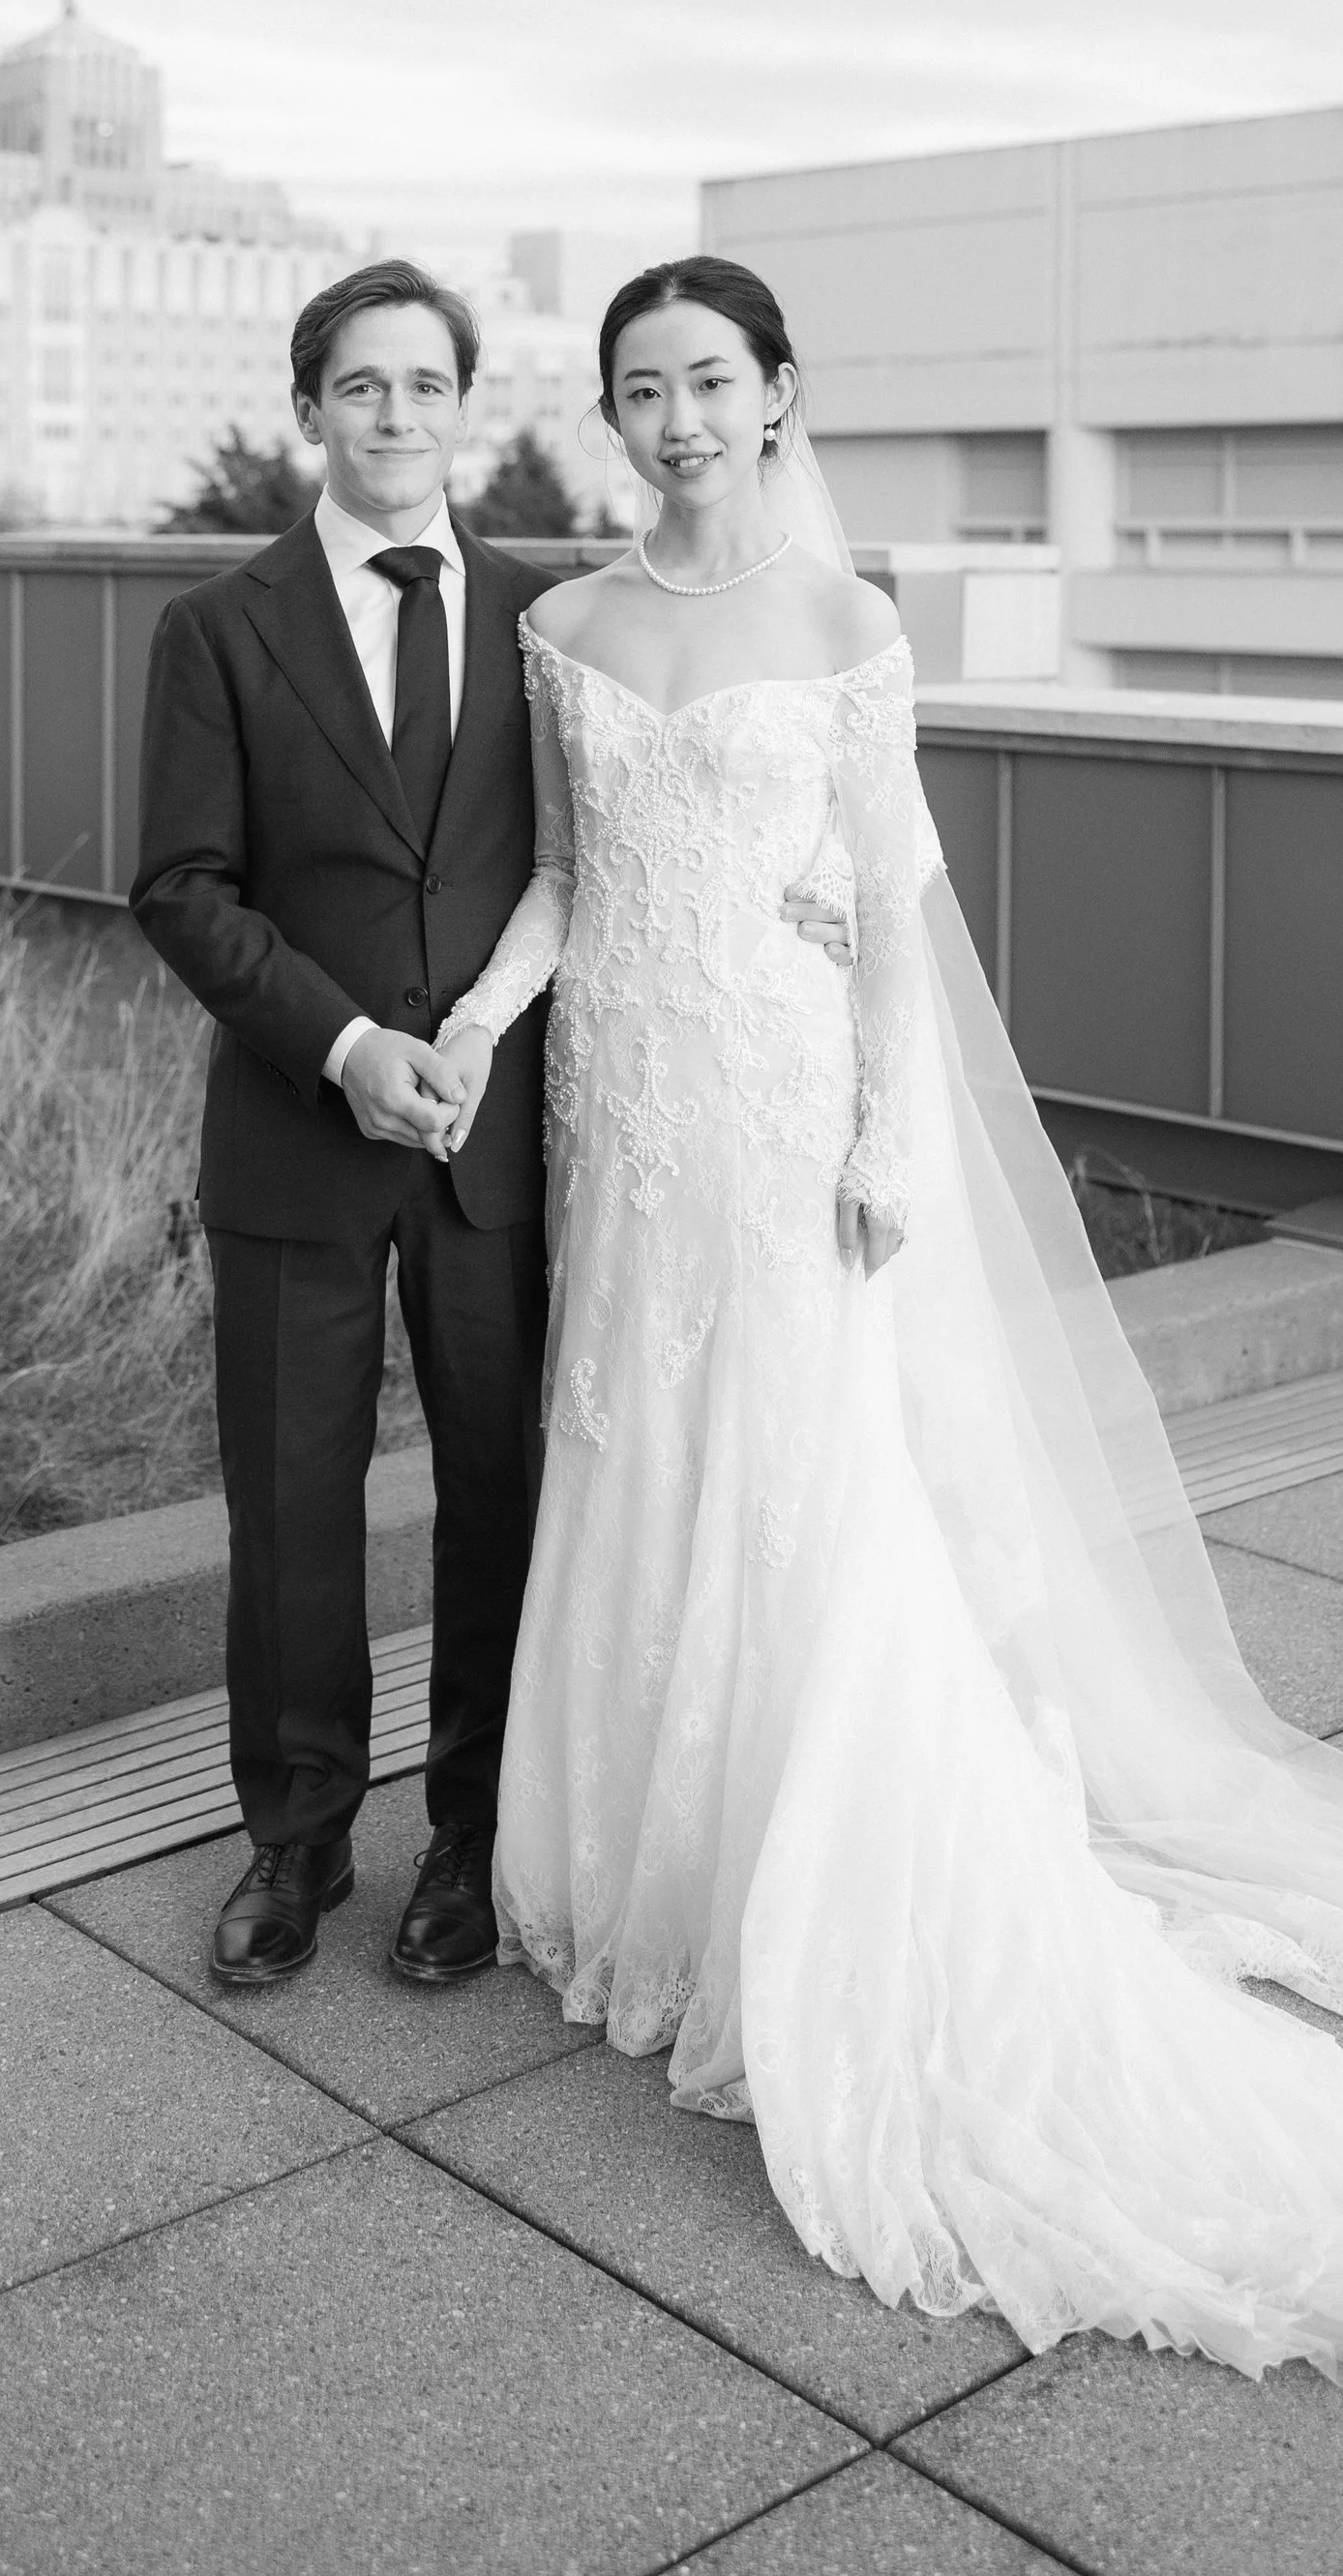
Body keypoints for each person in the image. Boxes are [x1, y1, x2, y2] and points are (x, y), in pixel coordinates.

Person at [428, 252, 1343, 2460]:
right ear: (607, 417)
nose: (674, 418)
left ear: (780, 395)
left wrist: (891, 1120)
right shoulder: (564, 628)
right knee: (647, 1456)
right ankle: (647, 1869)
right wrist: (481, 1030)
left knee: (807, 1493)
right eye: (636, 389)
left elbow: (887, 901)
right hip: (628, 1114)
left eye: (708, 380)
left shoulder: (846, 623)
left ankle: (820, 1882)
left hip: (788, 1114)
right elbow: (567, 885)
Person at [130, 257, 847, 1996]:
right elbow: (182, 887)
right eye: (360, 386)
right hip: (307, 1136)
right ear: (312, 409)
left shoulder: (554, 617)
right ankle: (297, 1841)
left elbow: (607, 849)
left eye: (426, 385)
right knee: (291, 1512)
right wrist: (350, 1043)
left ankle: (474, 1835)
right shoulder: (218, 628)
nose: (394, 416)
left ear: (467, 407)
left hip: (507, 1145)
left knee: (508, 1496)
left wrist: (810, 890)